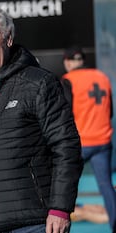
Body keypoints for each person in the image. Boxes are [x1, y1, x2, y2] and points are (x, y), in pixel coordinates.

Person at [0, 7, 83, 233]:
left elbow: (66, 146)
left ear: (8, 39)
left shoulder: (38, 83)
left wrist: (60, 208)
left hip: (35, 223)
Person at [62, 45, 116, 232]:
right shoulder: (102, 76)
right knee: (106, 186)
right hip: (103, 141)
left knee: (65, 185)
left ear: (68, 62)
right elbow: (110, 112)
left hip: (81, 144)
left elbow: (64, 116)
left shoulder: (68, 80)